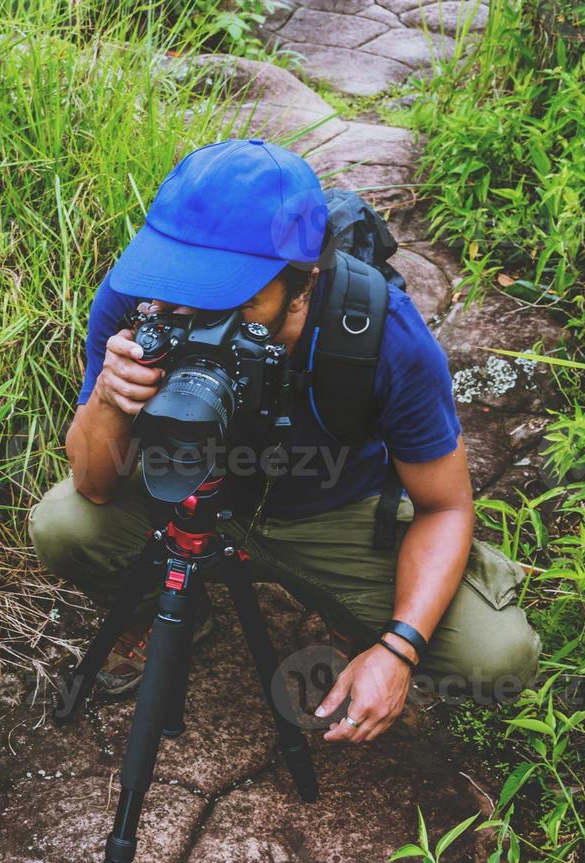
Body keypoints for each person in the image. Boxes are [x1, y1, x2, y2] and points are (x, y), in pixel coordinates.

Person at [30, 138, 540, 743]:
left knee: (496, 658)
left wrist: (398, 650)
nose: (195, 314)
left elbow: (446, 506)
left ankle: (358, 620)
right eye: (183, 289)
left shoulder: (382, 333)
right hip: (189, 488)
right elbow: (93, 482)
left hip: (335, 510)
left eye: (234, 299)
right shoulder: (140, 304)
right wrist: (111, 398)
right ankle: (175, 621)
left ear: (303, 284)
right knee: (63, 524)